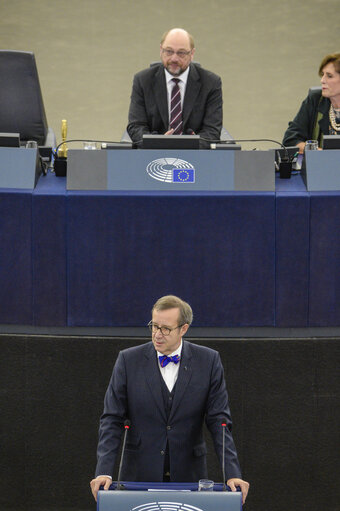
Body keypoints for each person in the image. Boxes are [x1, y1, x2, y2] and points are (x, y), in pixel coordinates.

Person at [90, 295, 249, 504]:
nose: (157, 334)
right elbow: (111, 419)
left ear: (184, 329)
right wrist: (104, 471)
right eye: (154, 326)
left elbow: (220, 421)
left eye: (165, 328)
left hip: (189, 475)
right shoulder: (128, 361)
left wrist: (231, 472)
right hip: (138, 475)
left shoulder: (208, 361)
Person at [126, 28, 223, 148]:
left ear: (192, 54)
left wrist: (186, 145)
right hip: (152, 155)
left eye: (181, 53)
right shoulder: (143, 80)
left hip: (197, 156)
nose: (174, 59)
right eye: (169, 51)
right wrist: (157, 142)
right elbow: (136, 126)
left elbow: (212, 131)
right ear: (161, 50)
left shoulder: (211, 83)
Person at [283, 52, 340, 153]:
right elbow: (290, 140)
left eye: (329, 76)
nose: (322, 80)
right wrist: (320, 154)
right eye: (323, 75)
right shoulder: (315, 100)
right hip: (319, 167)